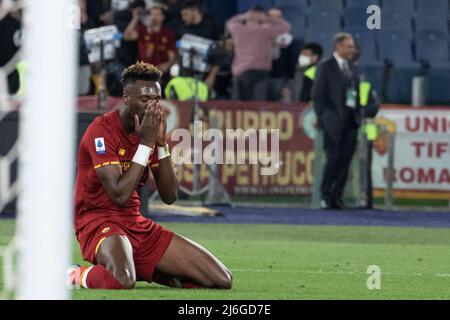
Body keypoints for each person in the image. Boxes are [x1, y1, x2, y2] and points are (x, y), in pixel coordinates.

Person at [69, 62, 232, 290]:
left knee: (221, 280)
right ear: (126, 97)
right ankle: (73, 275)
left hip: (135, 222)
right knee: (122, 280)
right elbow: (119, 195)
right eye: (145, 100)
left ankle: (156, 272)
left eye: (156, 99)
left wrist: (160, 144)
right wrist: (145, 144)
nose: (152, 106)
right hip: (98, 221)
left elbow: (170, 195)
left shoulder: (149, 132)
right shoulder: (102, 130)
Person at [312, 33, 360, 210]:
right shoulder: (325, 67)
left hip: (350, 121)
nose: (352, 50)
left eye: (352, 46)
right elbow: (318, 95)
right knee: (333, 159)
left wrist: (358, 115)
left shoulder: (352, 68)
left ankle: (337, 196)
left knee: (345, 161)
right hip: (333, 121)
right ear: (338, 47)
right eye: (348, 46)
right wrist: (323, 117)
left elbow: (356, 94)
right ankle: (325, 195)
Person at [226, 6, 290, 101]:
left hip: (241, 73)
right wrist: (268, 19)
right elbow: (286, 27)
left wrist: (244, 16)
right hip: (260, 73)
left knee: (238, 107)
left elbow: (229, 22)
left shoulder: (239, 29)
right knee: (257, 107)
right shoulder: (266, 31)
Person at [123, 3, 177, 91]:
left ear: (162, 17)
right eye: (151, 14)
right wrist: (135, 18)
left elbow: (172, 57)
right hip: (143, 72)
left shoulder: (168, 34)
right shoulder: (143, 31)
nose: (153, 17)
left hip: (161, 73)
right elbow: (127, 36)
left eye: (157, 14)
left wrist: (167, 65)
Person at [266, 6, 297, 102]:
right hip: (261, 78)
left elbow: (290, 60)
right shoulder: (258, 35)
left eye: (277, 17)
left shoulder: (286, 38)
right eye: (271, 16)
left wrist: (288, 84)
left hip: (279, 78)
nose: (274, 20)